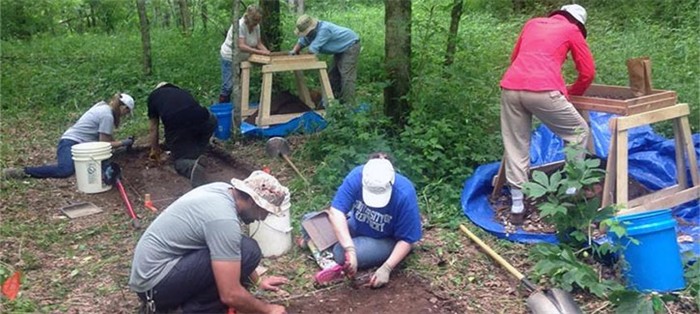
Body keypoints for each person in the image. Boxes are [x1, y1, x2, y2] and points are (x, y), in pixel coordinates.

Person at [129, 171, 290, 314]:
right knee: (248, 250)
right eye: (264, 212)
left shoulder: (223, 190)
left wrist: (258, 281)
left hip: (153, 276)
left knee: (245, 248)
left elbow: (229, 248)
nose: (262, 218)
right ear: (254, 202)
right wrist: (268, 310)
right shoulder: (223, 219)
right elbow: (230, 294)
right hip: (155, 286)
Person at [499, 4, 595, 225]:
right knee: (578, 131)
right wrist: (572, 93)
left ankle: (517, 205)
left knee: (516, 143)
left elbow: (515, 57)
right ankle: (572, 192)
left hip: (511, 87)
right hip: (543, 90)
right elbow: (587, 72)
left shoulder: (532, 23)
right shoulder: (572, 30)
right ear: (578, 23)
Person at [301, 153, 422, 288]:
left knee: (340, 253)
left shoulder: (404, 193)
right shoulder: (357, 176)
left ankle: (321, 249)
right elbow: (337, 212)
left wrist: (387, 268)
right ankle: (324, 251)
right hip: (357, 224)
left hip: (385, 239)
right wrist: (350, 249)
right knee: (309, 221)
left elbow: (408, 239)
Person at [2, 93, 135, 179]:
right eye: (127, 112)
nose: (125, 115)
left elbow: (107, 138)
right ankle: (23, 172)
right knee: (65, 170)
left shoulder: (104, 108)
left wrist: (120, 144)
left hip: (81, 146)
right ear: (123, 108)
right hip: (70, 142)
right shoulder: (107, 115)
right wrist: (124, 143)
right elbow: (103, 144)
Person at [147, 82, 216, 187]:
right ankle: (199, 151)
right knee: (211, 120)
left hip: (178, 124)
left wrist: (154, 149)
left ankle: (191, 167)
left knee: (179, 159)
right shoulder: (182, 92)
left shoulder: (153, 96)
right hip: (203, 119)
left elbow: (153, 128)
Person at [289, 14, 360, 104]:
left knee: (346, 76)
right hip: (339, 49)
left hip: (350, 45)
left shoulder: (324, 30)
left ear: (312, 28)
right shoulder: (311, 33)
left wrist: (301, 57)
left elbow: (312, 50)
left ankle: (348, 106)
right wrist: (294, 51)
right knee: (333, 75)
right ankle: (332, 103)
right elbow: (303, 41)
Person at [218, 5, 271, 104]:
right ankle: (223, 106)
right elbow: (241, 46)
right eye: (255, 20)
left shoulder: (257, 26)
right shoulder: (240, 25)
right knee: (228, 86)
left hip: (244, 57)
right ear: (249, 18)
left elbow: (258, 43)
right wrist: (260, 52)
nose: (257, 23)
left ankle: (239, 106)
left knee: (241, 84)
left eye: (258, 21)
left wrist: (267, 52)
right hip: (229, 56)